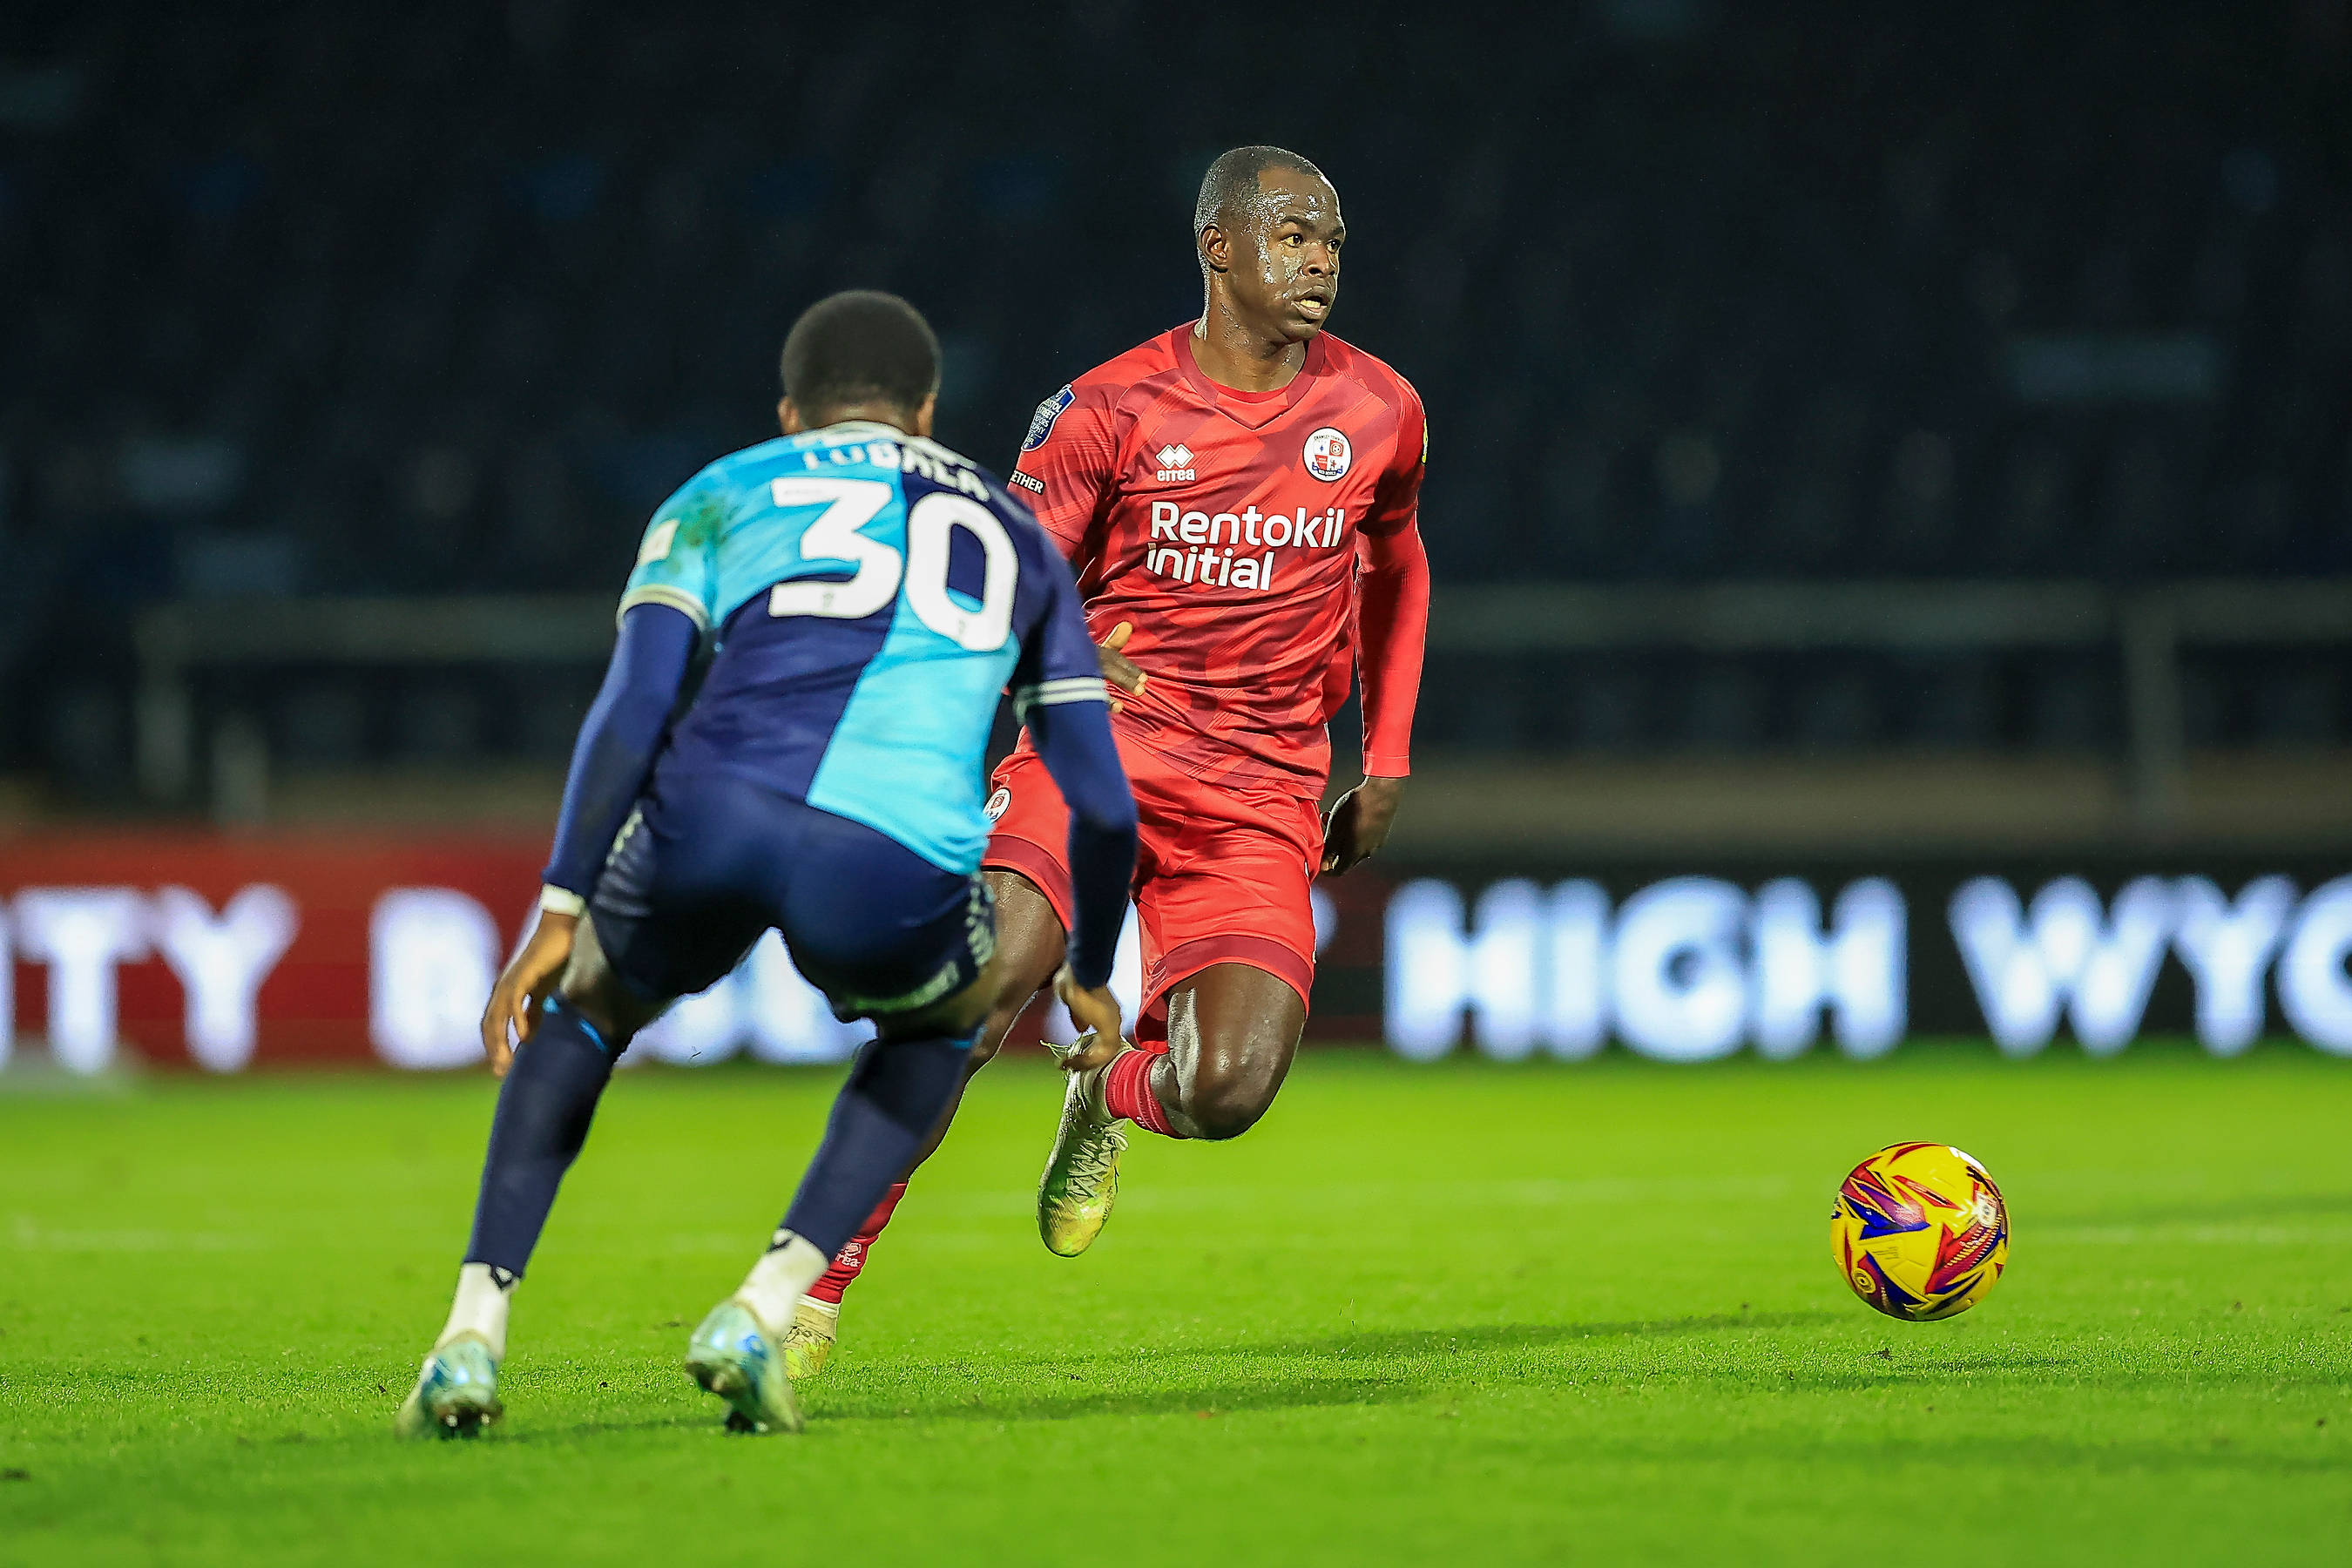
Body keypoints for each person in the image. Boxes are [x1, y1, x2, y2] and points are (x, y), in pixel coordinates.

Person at [394, 290, 1136, 1438]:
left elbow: (636, 703)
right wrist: (1084, 963)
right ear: (928, 411)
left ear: (792, 412)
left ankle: (468, 1339)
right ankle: (766, 1303)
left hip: (714, 815)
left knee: (588, 1016)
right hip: (889, 855)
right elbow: (1095, 789)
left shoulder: (720, 492)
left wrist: (560, 902)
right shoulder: (1017, 539)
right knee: (940, 1030)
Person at [790, 147, 1429, 1377]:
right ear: (1220, 247)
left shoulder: (1380, 408)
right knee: (977, 995)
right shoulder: (1108, 412)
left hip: (1260, 795)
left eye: (1334, 244)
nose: (1321, 265)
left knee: (1227, 1090)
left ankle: (1108, 1091)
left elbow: (1400, 566)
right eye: (1295, 237)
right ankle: (813, 1284)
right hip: (1098, 759)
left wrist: (1386, 757)